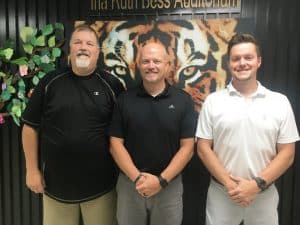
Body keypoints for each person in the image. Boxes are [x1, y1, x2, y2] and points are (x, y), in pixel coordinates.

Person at [21, 24, 124, 225]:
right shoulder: (50, 82)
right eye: (77, 42)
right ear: (70, 49)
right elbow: (29, 127)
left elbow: (121, 134)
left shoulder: (113, 86)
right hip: (56, 189)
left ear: (97, 51)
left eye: (89, 43)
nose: (83, 47)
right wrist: (32, 170)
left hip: (101, 188)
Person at [196, 33, 300, 225]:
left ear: (258, 61)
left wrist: (255, 185)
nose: (242, 63)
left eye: (248, 57)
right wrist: (231, 186)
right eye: (236, 58)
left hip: (264, 195)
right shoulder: (213, 101)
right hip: (222, 195)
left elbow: (287, 154)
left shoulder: (279, 101)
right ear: (229, 63)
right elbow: (203, 148)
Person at [109, 41, 197, 225]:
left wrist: (161, 181)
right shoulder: (124, 100)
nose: (151, 66)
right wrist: (138, 179)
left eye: (157, 61)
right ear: (138, 65)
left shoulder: (183, 101)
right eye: (146, 61)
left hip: (169, 186)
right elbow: (115, 144)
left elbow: (188, 148)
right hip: (129, 185)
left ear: (168, 66)